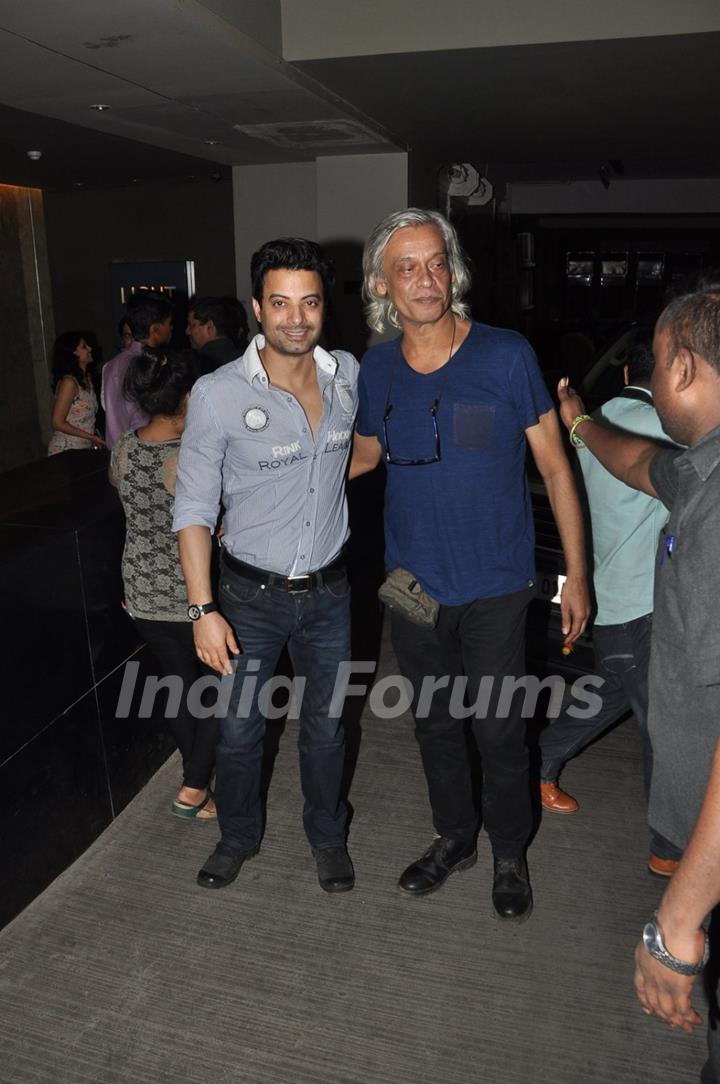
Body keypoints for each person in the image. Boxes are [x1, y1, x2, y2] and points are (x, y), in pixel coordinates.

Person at [350, 208, 590, 921]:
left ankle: (509, 849)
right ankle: (454, 836)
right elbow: (364, 456)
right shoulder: (378, 368)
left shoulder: (505, 354)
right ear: (381, 285)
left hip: (496, 585)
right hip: (414, 586)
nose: (426, 280)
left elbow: (554, 467)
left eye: (436, 263)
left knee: (498, 728)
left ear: (451, 271)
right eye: (408, 268)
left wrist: (577, 573)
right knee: (434, 724)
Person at [554, 290, 720, 1081]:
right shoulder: (699, 471)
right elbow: (635, 459)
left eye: (658, 364)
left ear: (682, 364)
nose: (653, 382)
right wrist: (581, 420)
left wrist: (677, 922)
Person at [173, 238, 359, 894]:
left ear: (322, 308)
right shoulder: (218, 394)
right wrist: (202, 610)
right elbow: (192, 507)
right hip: (247, 597)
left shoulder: (347, 376)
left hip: (331, 592)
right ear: (257, 307)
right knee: (239, 731)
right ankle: (238, 836)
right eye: (279, 302)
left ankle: (328, 836)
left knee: (328, 728)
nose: (295, 317)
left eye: (308, 302)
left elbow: (352, 458)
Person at [539, 338, 683, 877]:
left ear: (625, 372)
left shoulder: (593, 422)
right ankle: (668, 851)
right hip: (646, 608)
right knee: (663, 732)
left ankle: (539, 764)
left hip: (613, 600)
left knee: (610, 695)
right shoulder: (672, 433)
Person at [110, 346, 218, 819]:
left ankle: (196, 782)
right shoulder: (187, 458)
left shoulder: (125, 446)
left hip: (140, 587)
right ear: (185, 403)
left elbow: (122, 494)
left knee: (178, 686)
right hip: (190, 593)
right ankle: (196, 785)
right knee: (220, 690)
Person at [101, 292, 173, 448]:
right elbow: (143, 418)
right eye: (169, 322)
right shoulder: (151, 364)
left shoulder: (112, 365)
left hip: (117, 454)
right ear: (156, 329)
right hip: (143, 452)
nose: (171, 328)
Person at [48, 331, 105, 454]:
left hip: (83, 449)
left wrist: (94, 434)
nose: (90, 348)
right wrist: (90, 436)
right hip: (66, 450)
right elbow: (57, 422)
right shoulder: (69, 382)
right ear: (72, 353)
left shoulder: (87, 378)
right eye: (84, 347)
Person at [186, 295, 249, 375]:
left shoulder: (196, 366)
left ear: (209, 327)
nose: (187, 331)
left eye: (192, 325)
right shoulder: (246, 358)